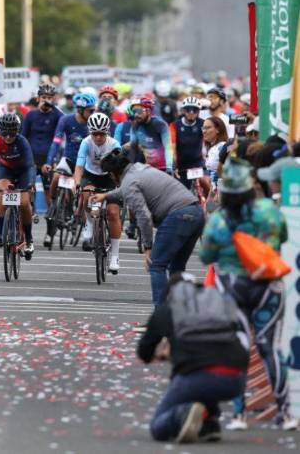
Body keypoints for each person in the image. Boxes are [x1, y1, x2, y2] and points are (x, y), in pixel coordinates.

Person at [200, 157, 296, 431]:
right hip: (269, 285)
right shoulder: (269, 211)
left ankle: (239, 415)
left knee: (238, 348)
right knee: (270, 347)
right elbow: (283, 237)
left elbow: (206, 256)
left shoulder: (219, 221)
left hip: (233, 287)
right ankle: (286, 413)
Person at [137, 273, 249, 443]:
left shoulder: (168, 309)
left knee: (158, 426)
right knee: (205, 372)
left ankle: (183, 412)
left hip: (198, 376)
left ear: (170, 293)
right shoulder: (220, 303)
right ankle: (210, 424)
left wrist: (166, 352)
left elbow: (144, 352)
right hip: (236, 379)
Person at [95, 148, 205, 305]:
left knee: (157, 265)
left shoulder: (129, 182)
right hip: (196, 213)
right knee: (177, 267)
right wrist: (106, 196)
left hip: (177, 215)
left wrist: (148, 247)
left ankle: (160, 314)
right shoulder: (139, 168)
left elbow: (144, 216)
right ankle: (181, 311)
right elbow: (127, 190)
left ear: (113, 174)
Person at [43, 92, 96, 246]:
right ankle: (54, 207)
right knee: (55, 178)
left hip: (85, 164)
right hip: (68, 159)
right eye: (91, 110)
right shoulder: (66, 120)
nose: (93, 113)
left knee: (82, 195)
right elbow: (56, 142)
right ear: (80, 110)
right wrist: (49, 162)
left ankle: (85, 231)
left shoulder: (93, 124)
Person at [74, 113, 122, 273]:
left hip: (109, 177)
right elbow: (79, 165)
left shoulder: (114, 144)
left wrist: (121, 186)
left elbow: (121, 169)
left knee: (113, 213)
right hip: (91, 175)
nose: (98, 137)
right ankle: (89, 223)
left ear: (107, 132)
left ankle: (115, 256)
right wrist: (77, 183)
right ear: (90, 132)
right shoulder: (86, 142)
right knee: (86, 194)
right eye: (95, 134)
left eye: (102, 134)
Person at [0, 113, 36, 256]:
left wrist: (30, 184)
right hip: (6, 170)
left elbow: (30, 165)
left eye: (12, 133)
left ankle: (29, 238)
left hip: (23, 171)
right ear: (0, 131)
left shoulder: (22, 142)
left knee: (24, 203)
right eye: (5, 133)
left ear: (17, 131)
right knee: (3, 194)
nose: (8, 137)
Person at [21, 84, 64, 207]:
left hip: (49, 158)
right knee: (29, 188)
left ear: (53, 99)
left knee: (48, 191)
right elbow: (23, 136)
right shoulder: (31, 115)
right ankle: (30, 212)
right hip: (32, 157)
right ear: (38, 98)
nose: (46, 100)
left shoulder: (57, 115)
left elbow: (65, 120)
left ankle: (51, 216)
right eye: (44, 97)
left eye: (49, 98)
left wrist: (52, 106)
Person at [129, 97, 174, 175]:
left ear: (149, 111)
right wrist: (131, 167)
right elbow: (133, 148)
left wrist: (169, 167)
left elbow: (168, 147)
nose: (136, 114)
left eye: (139, 111)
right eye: (134, 111)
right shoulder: (135, 126)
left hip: (162, 167)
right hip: (145, 167)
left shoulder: (160, 124)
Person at [172, 97, 207, 193]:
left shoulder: (203, 123)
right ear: (183, 111)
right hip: (181, 165)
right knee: (181, 192)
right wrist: (174, 166)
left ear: (198, 111)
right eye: (188, 110)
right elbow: (172, 148)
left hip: (198, 162)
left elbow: (208, 142)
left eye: (194, 110)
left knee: (206, 184)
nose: (191, 112)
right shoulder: (174, 125)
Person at [202, 116, 228, 191]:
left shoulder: (224, 146)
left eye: (208, 128)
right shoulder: (211, 148)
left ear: (218, 130)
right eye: (203, 128)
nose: (204, 131)